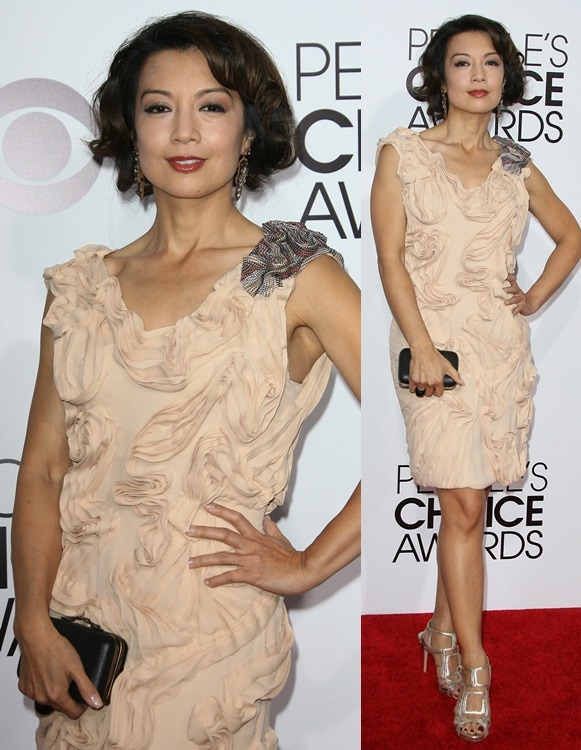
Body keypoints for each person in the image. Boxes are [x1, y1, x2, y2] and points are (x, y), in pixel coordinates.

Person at [11, 11, 360, 749]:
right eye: (158, 107)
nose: (184, 132)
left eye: (211, 106)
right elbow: (42, 470)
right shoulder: (79, 288)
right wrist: (35, 622)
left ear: (247, 130)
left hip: (210, 636)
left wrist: (306, 565)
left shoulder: (298, 277)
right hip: (84, 637)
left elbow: (429, 431)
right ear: (130, 130)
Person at [371, 13, 580, 744]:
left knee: (466, 501)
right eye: (462, 63)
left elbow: (570, 235)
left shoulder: (515, 162)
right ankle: (476, 659)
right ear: (438, 77)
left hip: (496, 347)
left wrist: (532, 298)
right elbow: (391, 261)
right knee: (461, 502)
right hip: (432, 348)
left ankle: (437, 628)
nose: (478, 75)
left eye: (490, 62)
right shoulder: (401, 153)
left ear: (504, 75)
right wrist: (422, 346)